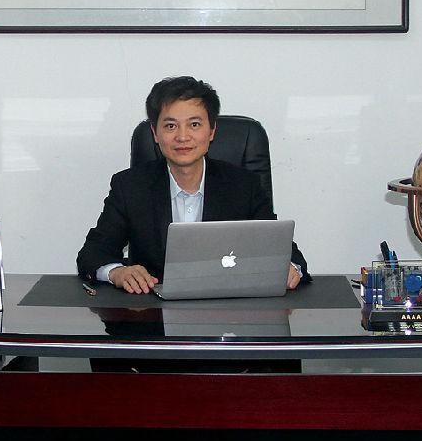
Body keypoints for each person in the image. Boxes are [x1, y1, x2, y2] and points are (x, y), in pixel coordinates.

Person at [77, 76, 309, 293]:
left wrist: (290, 268)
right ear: (155, 133)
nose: (182, 137)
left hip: (229, 309)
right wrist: (117, 272)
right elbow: (92, 253)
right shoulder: (130, 187)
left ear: (212, 130)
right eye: (170, 126)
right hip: (151, 312)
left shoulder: (243, 185)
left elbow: (285, 251)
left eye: (194, 124)